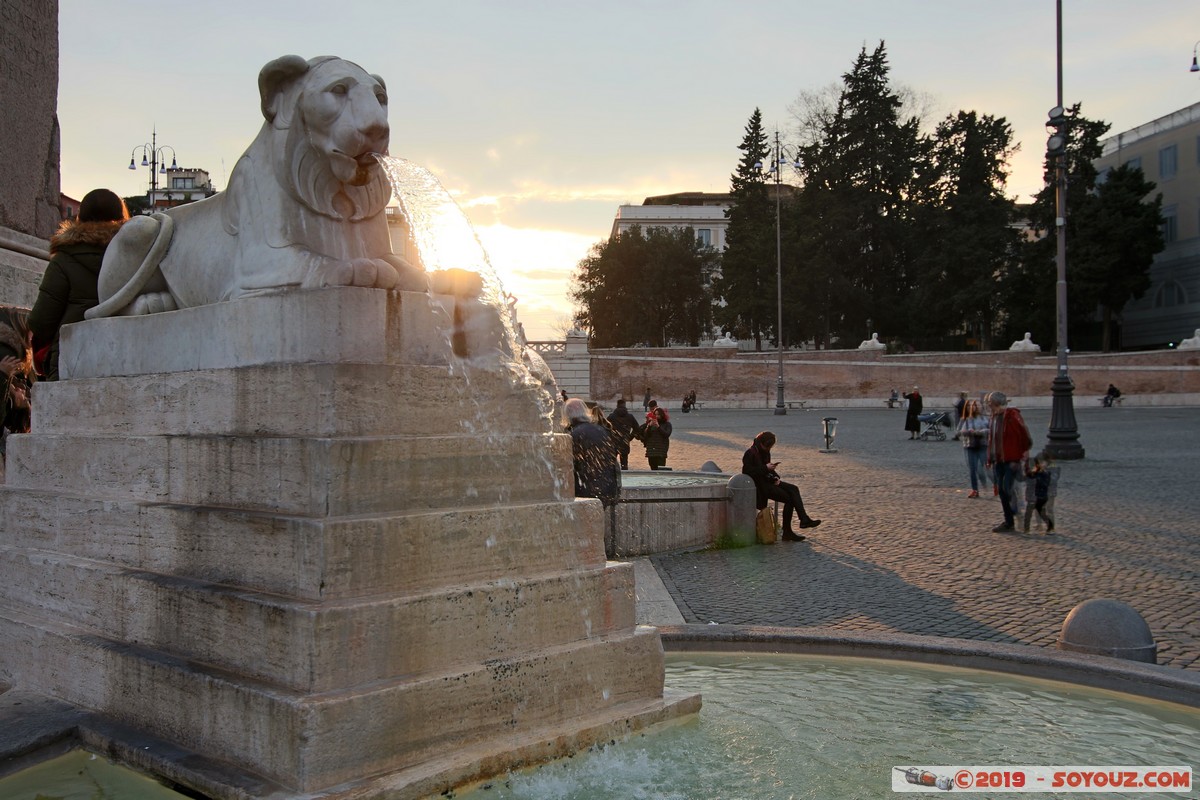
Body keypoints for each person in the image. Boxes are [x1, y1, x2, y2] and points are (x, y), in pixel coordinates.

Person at [28, 188, 129, 381]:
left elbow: (41, 322)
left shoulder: (64, 260)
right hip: (125, 358)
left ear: (79, 217)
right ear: (122, 216)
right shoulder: (135, 257)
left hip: (72, 360)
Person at [741, 431, 821, 541]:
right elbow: (747, 471)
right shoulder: (750, 453)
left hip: (768, 481)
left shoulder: (764, 451)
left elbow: (766, 469)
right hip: (761, 487)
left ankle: (803, 520)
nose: (769, 449)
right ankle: (790, 530)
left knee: (794, 489)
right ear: (761, 443)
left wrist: (775, 476)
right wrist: (766, 468)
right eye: (767, 446)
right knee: (790, 499)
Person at [986, 391, 1033, 533]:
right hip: (998, 459)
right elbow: (992, 439)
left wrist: (1023, 452)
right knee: (1001, 490)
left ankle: (1015, 509)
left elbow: (1024, 434)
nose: (989, 406)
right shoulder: (994, 417)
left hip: (1012, 459)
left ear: (996, 403)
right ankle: (1009, 521)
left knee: (1006, 487)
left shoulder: (1012, 416)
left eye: (990, 404)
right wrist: (990, 457)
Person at [563, 398, 620, 506]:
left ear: (568, 414)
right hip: (607, 486)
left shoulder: (575, 434)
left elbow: (570, 464)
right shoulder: (600, 429)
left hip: (588, 490)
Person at [956, 398, 989, 498]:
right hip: (970, 445)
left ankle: (994, 484)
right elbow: (958, 432)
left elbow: (991, 429)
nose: (974, 407)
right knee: (972, 469)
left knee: (984, 467)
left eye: (976, 405)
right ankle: (975, 490)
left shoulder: (985, 418)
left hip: (983, 445)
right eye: (971, 406)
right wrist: (967, 431)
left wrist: (981, 432)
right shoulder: (965, 419)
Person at [1023, 453, 1057, 534]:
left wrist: (1035, 475)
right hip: (1035, 496)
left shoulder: (1044, 473)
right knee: (1033, 513)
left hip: (1039, 497)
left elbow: (1044, 483)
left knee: (1036, 513)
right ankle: (1027, 529)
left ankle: (1050, 527)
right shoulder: (1036, 473)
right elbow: (1026, 478)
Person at [606, 398, 638, 470]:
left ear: (617, 405)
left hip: (614, 441)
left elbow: (605, 427)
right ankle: (625, 475)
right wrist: (630, 437)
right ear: (625, 405)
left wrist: (610, 436)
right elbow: (637, 429)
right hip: (625, 441)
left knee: (612, 463)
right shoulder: (630, 417)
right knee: (624, 463)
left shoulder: (612, 416)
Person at [637, 405, 672, 470]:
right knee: (653, 470)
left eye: (658, 414)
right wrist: (649, 427)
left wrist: (658, 427)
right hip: (651, 451)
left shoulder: (667, 424)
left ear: (662, 415)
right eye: (655, 415)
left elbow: (666, 434)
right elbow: (646, 436)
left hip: (661, 451)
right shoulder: (650, 424)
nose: (657, 416)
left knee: (661, 470)